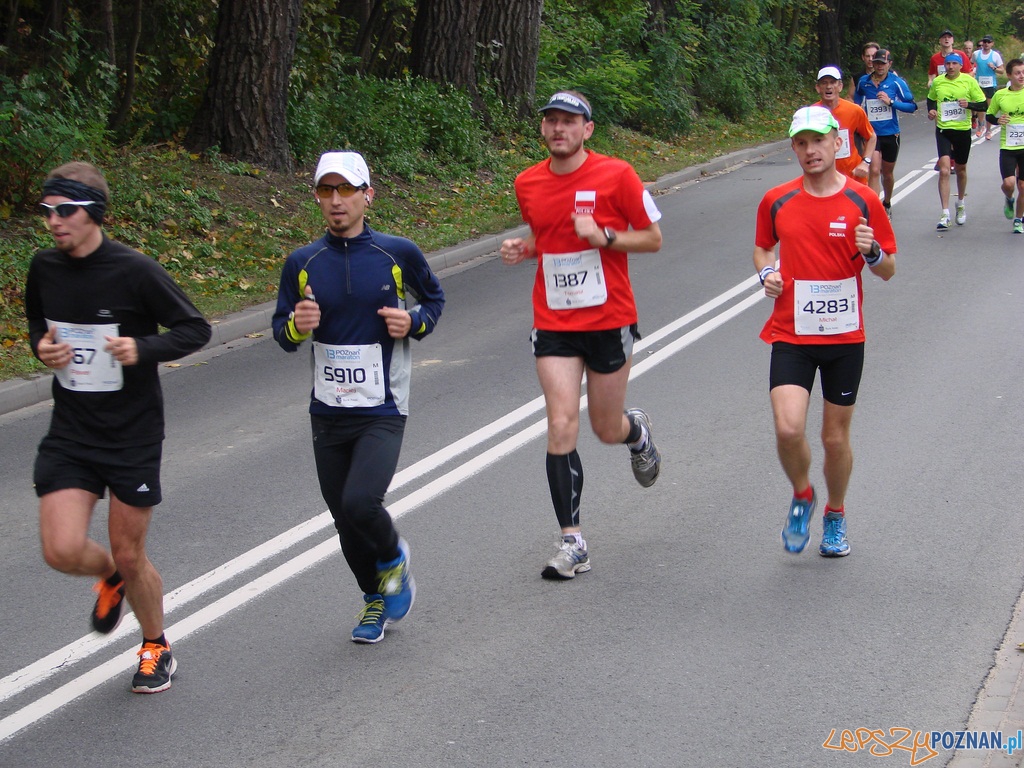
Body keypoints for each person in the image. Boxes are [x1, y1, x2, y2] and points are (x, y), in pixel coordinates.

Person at [25, 161, 212, 693]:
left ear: (94, 213)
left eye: (66, 211)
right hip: (73, 430)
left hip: (131, 433)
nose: (54, 221)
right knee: (60, 549)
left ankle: (156, 645)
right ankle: (110, 576)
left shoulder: (135, 271)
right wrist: (42, 346)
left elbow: (195, 328)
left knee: (134, 554)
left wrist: (142, 348)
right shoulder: (45, 268)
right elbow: (37, 321)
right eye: (47, 212)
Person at [272, 151, 444, 644]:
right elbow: (282, 333)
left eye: (345, 190)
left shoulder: (397, 254)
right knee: (343, 518)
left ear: (367, 195)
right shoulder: (303, 263)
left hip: (383, 407)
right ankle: (374, 600)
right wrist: (295, 327)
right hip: (328, 410)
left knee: (361, 501)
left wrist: (414, 322)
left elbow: (434, 299)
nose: (335, 201)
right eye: (325, 191)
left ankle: (393, 559)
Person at [499, 91, 663, 580]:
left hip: (609, 320)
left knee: (604, 428)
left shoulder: (618, 175)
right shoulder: (527, 182)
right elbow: (549, 239)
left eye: (568, 121)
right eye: (550, 120)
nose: (557, 129)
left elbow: (653, 237)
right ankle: (573, 542)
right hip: (553, 322)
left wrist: (606, 237)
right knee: (561, 422)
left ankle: (636, 433)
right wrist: (523, 249)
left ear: (587, 129)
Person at [752, 106, 897, 559]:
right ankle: (802, 496)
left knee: (834, 439)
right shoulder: (776, 199)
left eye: (819, 141)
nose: (810, 150)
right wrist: (767, 274)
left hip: (844, 337)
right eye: (801, 143)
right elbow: (762, 249)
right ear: (794, 148)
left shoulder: (862, 200)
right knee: (787, 426)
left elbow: (889, 269)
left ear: (838, 143)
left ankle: (835, 513)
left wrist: (872, 253)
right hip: (792, 331)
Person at [927, 53, 988, 229]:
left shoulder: (969, 82)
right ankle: (945, 214)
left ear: (961, 66)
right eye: (948, 63)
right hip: (944, 130)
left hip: (962, 131)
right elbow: (931, 100)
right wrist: (932, 112)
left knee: (961, 169)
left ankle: (960, 203)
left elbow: (983, 105)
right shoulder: (938, 82)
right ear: (944, 65)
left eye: (955, 63)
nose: (951, 66)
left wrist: (968, 105)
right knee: (945, 170)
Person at [854, 48, 918, 217]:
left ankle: (887, 201)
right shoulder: (863, 82)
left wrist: (891, 102)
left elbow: (912, 106)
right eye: (876, 63)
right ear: (872, 64)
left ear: (889, 64)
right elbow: (857, 99)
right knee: (874, 169)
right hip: (871, 134)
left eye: (883, 64)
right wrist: (858, 108)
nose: (879, 67)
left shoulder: (896, 82)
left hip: (891, 133)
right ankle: (874, 211)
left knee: (887, 173)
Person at [814, 66, 877, 190]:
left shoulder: (854, 110)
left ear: (840, 86)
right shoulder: (812, 113)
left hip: (853, 177)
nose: (828, 87)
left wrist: (865, 162)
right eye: (824, 83)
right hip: (823, 178)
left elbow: (871, 137)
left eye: (833, 82)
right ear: (818, 88)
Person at [985, 58, 1024, 232]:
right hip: (1008, 146)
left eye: (1023, 72)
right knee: (1009, 184)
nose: (1021, 76)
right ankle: (1009, 198)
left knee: (1023, 185)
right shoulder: (1001, 95)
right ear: (1009, 75)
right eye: (1017, 73)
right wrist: (998, 120)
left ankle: (1018, 219)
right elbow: (989, 115)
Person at [972, 36, 1005, 138]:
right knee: (981, 106)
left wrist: (994, 67)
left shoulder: (995, 55)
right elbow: (971, 65)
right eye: (985, 42)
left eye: (988, 42)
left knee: (989, 108)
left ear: (992, 44)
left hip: (990, 84)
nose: (986, 44)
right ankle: (980, 126)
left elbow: (1002, 70)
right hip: (979, 84)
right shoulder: (976, 54)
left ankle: (988, 130)